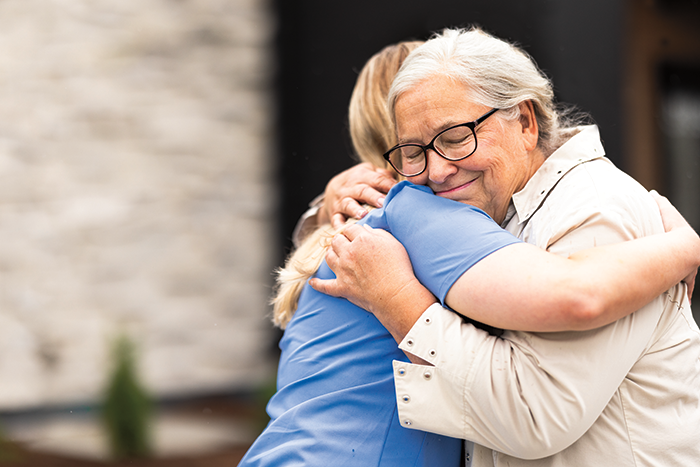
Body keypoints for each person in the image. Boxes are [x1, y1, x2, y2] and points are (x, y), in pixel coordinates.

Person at [312, 27, 700, 466]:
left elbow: (535, 417)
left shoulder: (593, 207)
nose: (437, 170)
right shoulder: (489, 212)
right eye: (414, 151)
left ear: (526, 122)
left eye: (455, 137)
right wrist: (325, 207)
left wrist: (397, 300)